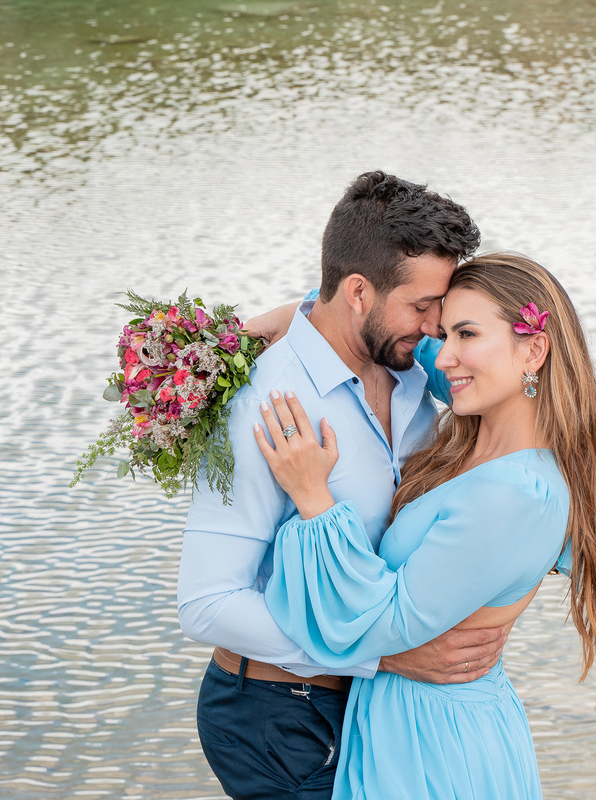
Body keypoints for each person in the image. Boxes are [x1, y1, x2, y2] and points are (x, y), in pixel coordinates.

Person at [252, 253, 596, 799]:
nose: (447, 357)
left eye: (466, 334)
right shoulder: (482, 426)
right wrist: (301, 317)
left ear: (534, 349)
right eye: (444, 333)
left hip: (433, 745)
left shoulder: (515, 494)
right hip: (410, 723)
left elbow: (381, 621)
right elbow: (408, 339)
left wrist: (313, 498)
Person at [177, 171, 507, 800]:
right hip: (276, 714)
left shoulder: (412, 369)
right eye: (421, 306)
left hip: (369, 704)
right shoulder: (265, 404)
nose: (438, 324)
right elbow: (207, 602)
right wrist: (381, 656)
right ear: (358, 292)